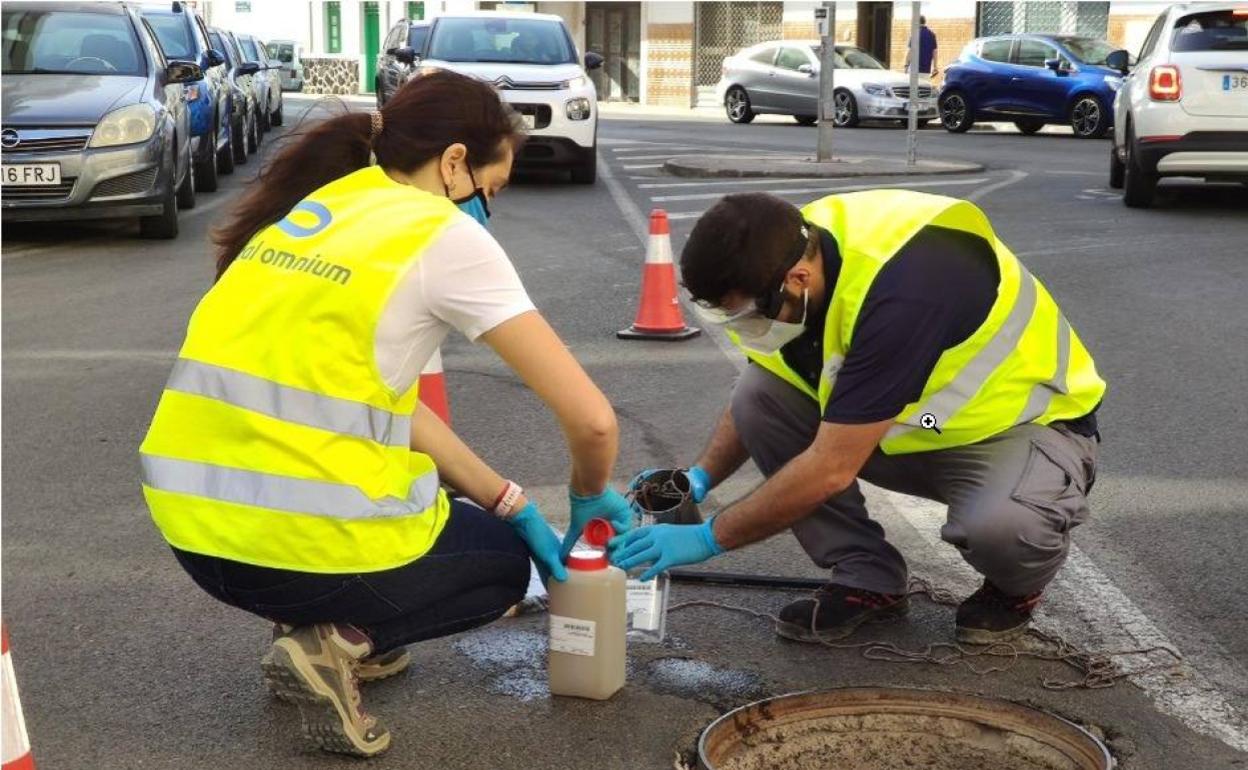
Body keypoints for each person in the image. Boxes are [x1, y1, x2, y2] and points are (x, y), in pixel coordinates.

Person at [138, 71, 633, 757]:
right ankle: (337, 640)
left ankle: (317, 623)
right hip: (289, 546)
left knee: (477, 523)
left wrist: (510, 501)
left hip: (196, 539)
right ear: (455, 163)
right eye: (491, 192)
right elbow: (594, 421)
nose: (488, 210)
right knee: (498, 567)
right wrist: (586, 497)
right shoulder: (438, 233)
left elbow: (390, 412)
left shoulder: (322, 208)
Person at [612, 191, 1104, 648]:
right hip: (909, 426)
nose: (747, 330)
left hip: (1015, 428)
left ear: (797, 281)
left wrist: (708, 538)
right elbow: (768, 380)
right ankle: (867, 578)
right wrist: (698, 478)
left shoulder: (907, 291)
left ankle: (1016, 588)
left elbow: (830, 467)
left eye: (746, 316)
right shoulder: (791, 244)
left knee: (1003, 527)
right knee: (759, 395)